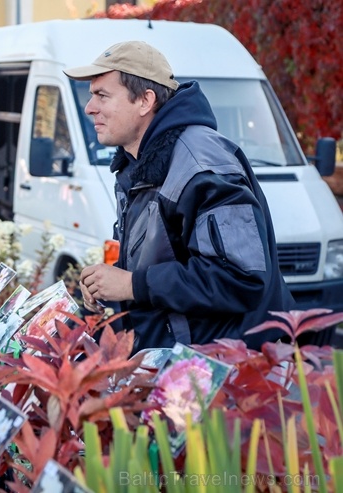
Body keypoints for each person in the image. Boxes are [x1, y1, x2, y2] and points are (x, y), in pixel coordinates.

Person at [66, 41, 293, 353]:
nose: (89, 107)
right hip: (174, 361)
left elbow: (241, 279)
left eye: (102, 95)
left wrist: (131, 284)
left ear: (145, 101)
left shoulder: (201, 162)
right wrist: (111, 285)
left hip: (222, 371)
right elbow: (161, 260)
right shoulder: (141, 162)